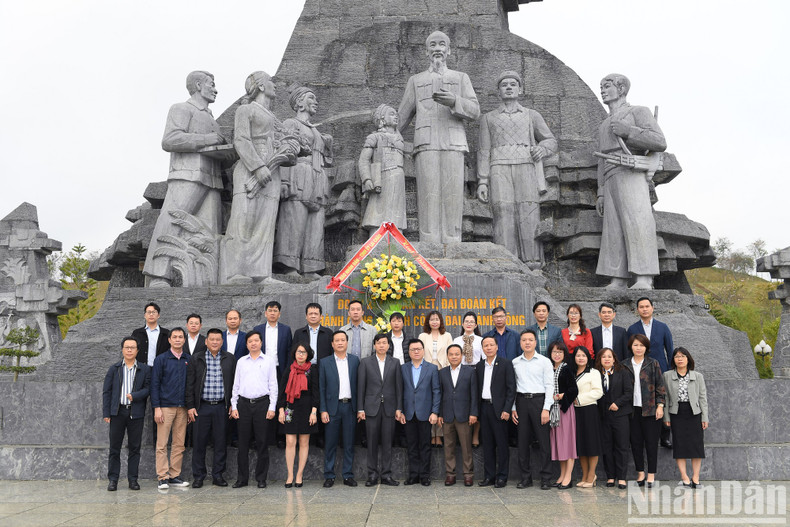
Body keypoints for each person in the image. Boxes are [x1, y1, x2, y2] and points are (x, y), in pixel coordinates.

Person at [143, 70, 226, 287]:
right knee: (172, 222)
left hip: (212, 178)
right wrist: (207, 139)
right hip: (187, 175)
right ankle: (158, 276)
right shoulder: (181, 108)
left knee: (208, 234)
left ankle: (204, 280)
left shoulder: (211, 118)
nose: (215, 89)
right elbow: (170, 139)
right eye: (211, 84)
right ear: (198, 85)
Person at [397, 30, 480, 243]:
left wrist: (455, 101)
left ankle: (453, 240)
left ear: (449, 50)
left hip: (454, 142)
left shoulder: (461, 78)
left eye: (441, 44)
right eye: (432, 45)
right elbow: (402, 116)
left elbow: (475, 111)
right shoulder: (416, 80)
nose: (437, 49)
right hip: (426, 142)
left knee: (453, 194)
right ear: (426, 51)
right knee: (428, 193)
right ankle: (429, 241)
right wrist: (386, 134)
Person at [221, 71, 297, 283]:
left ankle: (261, 273)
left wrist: (290, 151)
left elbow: (285, 143)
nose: (275, 84)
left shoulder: (273, 118)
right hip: (250, 169)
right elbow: (241, 140)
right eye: (270, 81)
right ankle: (235, 272)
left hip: (273, 170)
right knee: (244, 220)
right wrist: (257, 167)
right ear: (261, 86)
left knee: (265, 222)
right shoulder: (246, 110)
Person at [477, 70, 557, 268]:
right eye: (504, 85)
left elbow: (550, 140)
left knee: (528, 210)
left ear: (520, 89)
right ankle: (505, 259)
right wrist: (482, 181)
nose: (509, 87)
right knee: (502, 210)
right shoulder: (488, 118)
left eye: (513, 84)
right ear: (498, 91)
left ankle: (533, 261)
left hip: (526, 164)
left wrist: (542, 149)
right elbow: (483, 150)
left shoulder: (531, 115)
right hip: (498, 166)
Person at [594, 73, 667, 290]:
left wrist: (628, 131)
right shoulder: (603, 124)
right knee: (613, 228)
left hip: (631, 171)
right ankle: (618, 277)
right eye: (601, 87)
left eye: (607, 86)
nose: (603, 90)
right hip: (610, 175)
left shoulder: (638, 111)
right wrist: (600, 191)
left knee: (638, 222)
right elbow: (601, 160)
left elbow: (659, 141)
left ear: (621, 89)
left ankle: (644, 276)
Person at [273, 86, 333, 279]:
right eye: (311, 98)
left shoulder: (315, 130)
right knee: (294, 219)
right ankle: (289, 264)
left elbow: (326, 158)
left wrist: (327, 145)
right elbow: (284, 150)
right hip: (298, 172)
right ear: (299, 102)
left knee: (316, 223)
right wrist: (283, 180)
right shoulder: (291, 123)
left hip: (317, 175)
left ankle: (311, 266)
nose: (315, 102)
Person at [185, 328, 236, 488]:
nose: (215, 342)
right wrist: (190, 406)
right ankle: (198, 476)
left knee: (220, 442)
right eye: (212, 339)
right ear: (206, 341)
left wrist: (232, 404)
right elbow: (190, 384)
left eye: (218, 339)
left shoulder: (230, 358)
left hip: (221, 407)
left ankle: (218, 475)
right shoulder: (196, 358)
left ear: (222, 342)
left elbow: (235, 383)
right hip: (202, 407)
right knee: (199, 443)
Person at [230, 331, 278, 488]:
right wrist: (234, 405)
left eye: (256, 340)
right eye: (250, 341)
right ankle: (242, 478)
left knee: (262, 442)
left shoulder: (269, 361)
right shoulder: (241, 361)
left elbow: (273, 385)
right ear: (246, 344)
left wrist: (272, 407)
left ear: (261, 343)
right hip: (243, 404)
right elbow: (236, 385)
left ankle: (261, 478)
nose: (253, 343)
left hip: (262, 404)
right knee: (242, 443)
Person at [102, 337, 151, 491]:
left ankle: (133, 480)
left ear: (137, 350)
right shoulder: (114, 369)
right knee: (114, 448)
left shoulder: (144, 369)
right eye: (127, 347)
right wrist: (107, 412)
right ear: (122, 349)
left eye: (132, 347)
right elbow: (107, 391)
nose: (129, 350)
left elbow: (148, 389)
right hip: (117, 412)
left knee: (135, 448)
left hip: (135, 412)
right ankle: (113, 480)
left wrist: (135, 396)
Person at [627, 296, 674, 447]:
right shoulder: (632, 329)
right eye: (641, 307)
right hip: (639, 371)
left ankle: (665, 435)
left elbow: (670, 350)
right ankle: (643, 435)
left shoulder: (663, 327)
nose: (644, 309)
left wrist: (670, 370)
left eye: (647, 306)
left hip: (661, 369)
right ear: (637, 310)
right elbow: (629, 352)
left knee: (663, 401)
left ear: (652, 308)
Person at [357, 334, 403, 486]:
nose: (382, 345)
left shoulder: (395, 362)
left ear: (389, 345)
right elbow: (361, 387)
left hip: (389, 408)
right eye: (379, 343)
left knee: (387, 443)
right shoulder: (365, 362)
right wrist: (360, 408)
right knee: (371, 443)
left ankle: (386, 475)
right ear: (374, 345)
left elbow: (399, 388)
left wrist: (399, 408)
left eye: (384, 343)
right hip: (371, 408)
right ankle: (372, 475)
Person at [511, 329, 553, 490]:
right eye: (524, 340)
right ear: (520, 343)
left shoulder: (544, 361)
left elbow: (549, 386)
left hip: (539, 401)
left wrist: (546, 408)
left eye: (530, 340)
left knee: (544, 442)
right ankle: (525, 478)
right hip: (521, 402)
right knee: (522, 443)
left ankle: (546, 478)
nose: (527, 343)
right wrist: (513, 407)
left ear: (535, 342)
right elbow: (513, 387)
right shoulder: (515, 362)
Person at [622, 334, 666, 488]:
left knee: (652, 443)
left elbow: (660, 386)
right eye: (635, 345)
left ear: (646, 347)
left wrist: (660, 406)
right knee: (636, 443)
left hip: (651, 409)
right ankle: (640, 472)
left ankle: (651, 474)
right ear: (631, 347)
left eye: (641, 345)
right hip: (631, 410)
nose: (638, 348)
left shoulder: (653, 363)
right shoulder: (624, 365)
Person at [151, 327, 191, 490]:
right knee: (162, 444)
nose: (177, 339)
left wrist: (190, 407)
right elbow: (155, 384)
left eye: (180, 337)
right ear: (169, 340)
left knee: (179, 443)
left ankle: (175, 476)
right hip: (165, 407)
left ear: (184, 340)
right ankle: (162, 477)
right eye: (174, 337)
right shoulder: (161, 359)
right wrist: (157, 407)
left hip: (183, 408)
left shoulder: (188, 359)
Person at [358, 104, 407, 236]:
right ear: (382, 119)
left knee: (397, 210)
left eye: (396, 114)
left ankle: (397, 235)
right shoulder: (374, 137)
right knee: (378, 209)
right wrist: (367, 179)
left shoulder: (399, 140)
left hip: (398, 176)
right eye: (391, 113)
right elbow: (364, 160)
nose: (395, 116)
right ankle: (377, 236)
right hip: (382, 176)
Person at [320, 330, 360, 487]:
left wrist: (359, 408)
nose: (340, 343)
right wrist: (323, 410)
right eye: (337, 340)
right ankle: (329, 475)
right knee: (330, 444)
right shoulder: (325, 362)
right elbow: (322, 388)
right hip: (332, 408)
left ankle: (348, 475)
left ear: (347, 342)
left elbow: (359, 386)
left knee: (349, 444)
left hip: (350, 407)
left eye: (343, 340)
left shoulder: (355, 361)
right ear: (332, 344)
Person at [663, 347, 708, 488]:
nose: (680, 359)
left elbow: (702, 398)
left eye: (683, 356)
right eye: (677, 356)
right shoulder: (667, 376)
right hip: (676, 413)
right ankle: (684, 477)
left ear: (688, 359)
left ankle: (696, 477)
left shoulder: (697, 376)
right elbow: (665, 398)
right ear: (673, 360)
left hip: (694, 413)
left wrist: (705, 417)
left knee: (696, 446)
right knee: (680, 446)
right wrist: (666, 417)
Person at [398, 339, 441, 486]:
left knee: (425, 445)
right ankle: (413, 475)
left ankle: (424, 476)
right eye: (413, 349)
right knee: (411, 446)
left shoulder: (432, 368)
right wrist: (400, 410)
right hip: (408, 413)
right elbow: (400, 391)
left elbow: (436, 391)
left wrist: (435, 411)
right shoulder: (403, 368)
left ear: (423, 350)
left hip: (426, 413)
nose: (416, 351)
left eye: (418, 349)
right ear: (409, 352)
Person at [475, 336, 516, 488]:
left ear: (497, 347)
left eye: (491, 345)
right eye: (485, 345)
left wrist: (507, 409)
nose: (489, 347)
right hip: (484, 408)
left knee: (502, 444)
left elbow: (511, 389)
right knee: (487, 444)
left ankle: (502, 477)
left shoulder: (506, 364)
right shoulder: (479, 366)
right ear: (482, 348)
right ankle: (489, 476)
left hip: (499, 410)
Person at [278, 342, 319, 488]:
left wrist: (314, 412)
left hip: (307, 409)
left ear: (308, 355)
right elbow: (282, 391)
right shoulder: (289, 369)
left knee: (303, 442)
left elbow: (316, 393)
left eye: (303, 352)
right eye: (298, 352)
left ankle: (299, 475)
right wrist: (281, 410)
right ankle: (290, 475)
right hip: (290, 408)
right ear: (294, 354)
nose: (301, 355)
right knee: (290, 441)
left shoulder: (312, 370)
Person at [438, 344, 478, 487]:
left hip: (465, 415)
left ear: (461, 356)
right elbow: (440, 394)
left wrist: (473, 413)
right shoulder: (442, 373)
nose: (454, 357)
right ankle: (450, 474)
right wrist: (440, 414)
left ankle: (468, 475)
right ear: (447, 356)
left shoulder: (470, 372)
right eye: (451, 354)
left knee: (466, 446)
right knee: (448, 446)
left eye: (457, 354)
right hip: (447, 415)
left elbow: (474, 394)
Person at [595, 347, 633, 489]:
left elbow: (629, 392)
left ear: (614, 359)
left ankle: (622, 478)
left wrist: (618, 403)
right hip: (603, 416)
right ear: (599, 359)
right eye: (603, 357)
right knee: (607, 447)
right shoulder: (596, 374)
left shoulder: (622, 372)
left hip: (620, 415)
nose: (607, 359)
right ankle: (610, 476)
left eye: (609, 356)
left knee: (622, 446)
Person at [547, 341, 578, 490]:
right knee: (559, 444)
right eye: (554, 352)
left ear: (564, 354)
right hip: (553, 410)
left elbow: (574, 389)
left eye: (560, 352)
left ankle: (568, 477)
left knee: (568, 443)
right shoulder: (549, 368)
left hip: (564, 410)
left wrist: (562, 396)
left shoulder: (566, 369)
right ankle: (562, 475)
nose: (557, 355)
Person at [572, 346, 603, 488]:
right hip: (575, 412)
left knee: (591, 444)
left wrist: (578, 399)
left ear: (588, 357)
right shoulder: (571, 372)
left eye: (583, 355)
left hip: (589, 410)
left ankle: (591, 475)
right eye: (578, 355)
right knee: (581, 444)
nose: (581, 358)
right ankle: (584, 475)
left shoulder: (593, 372)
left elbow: (598, 392)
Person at [453, 311, 483, 447]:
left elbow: (483, 359)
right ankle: (463, 434)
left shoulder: (481, 340)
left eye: (472, 322)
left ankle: (475, 435)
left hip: (476, 371)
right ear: (462, 324)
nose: (469, 324)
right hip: (461, 371)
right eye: (467, 321)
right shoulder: (457, 340)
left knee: (475, 402)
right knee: (463, 402)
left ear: (476, 325)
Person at [132, 302, 170, 367]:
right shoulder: (137, 333)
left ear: (158, 315)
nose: (151, 314)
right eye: (149, 312)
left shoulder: (166, 333)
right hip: (141, 368)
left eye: (154, 312)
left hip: (161, 368)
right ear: (144, 315)